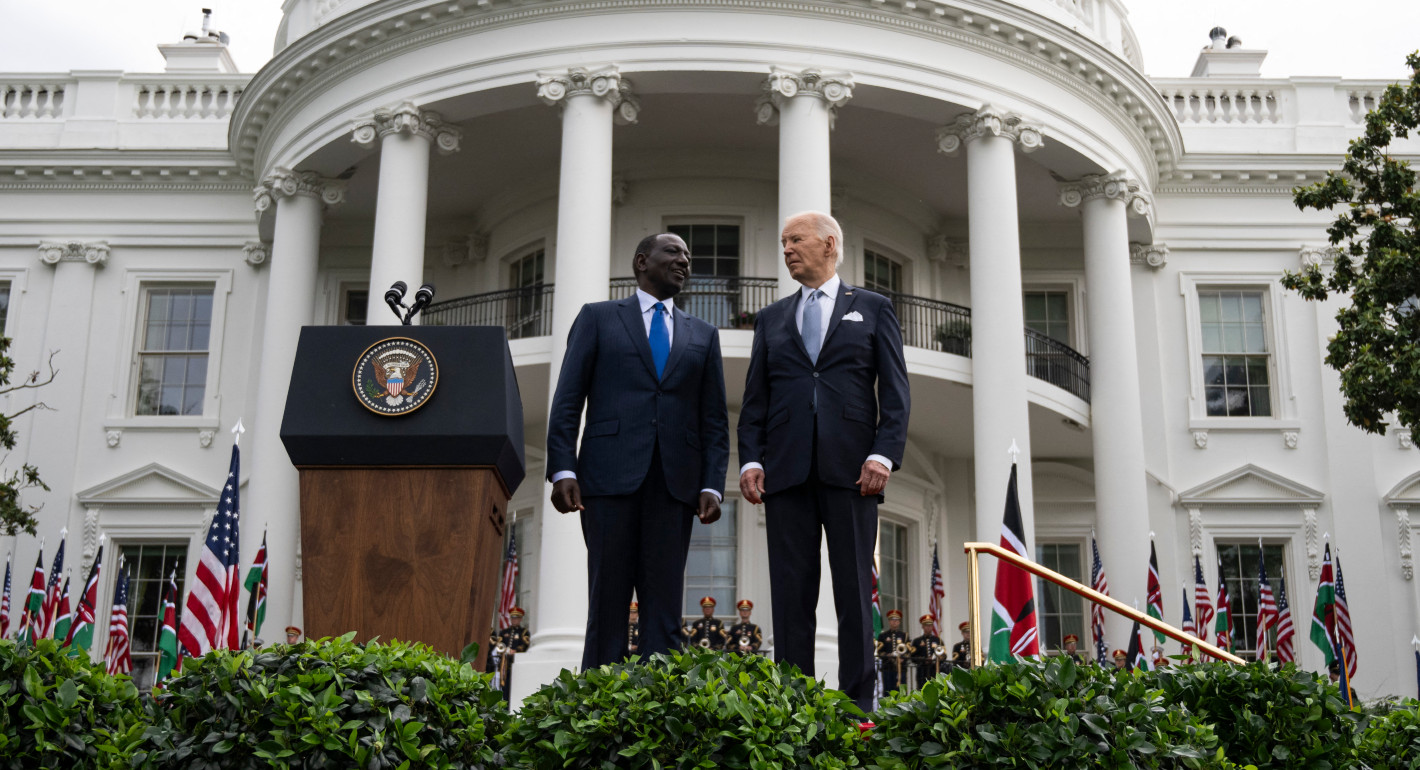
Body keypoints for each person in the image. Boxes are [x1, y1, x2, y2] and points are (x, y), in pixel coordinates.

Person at [738, 211, 911, 713]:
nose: (787, 249)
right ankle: (795, 704)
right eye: (783, 242)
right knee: (792, 594)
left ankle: (860, 707)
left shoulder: (874, 308)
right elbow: (755, 401)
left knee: (854, 590)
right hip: (786, 473)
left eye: (796, 240)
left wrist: (883, 454)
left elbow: (896, 393)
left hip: (854, 472)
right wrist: (751, 460)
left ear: (830, 244)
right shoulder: (771, 318)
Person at [546, 233, 730, 671]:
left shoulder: (703, 335)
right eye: (674, 253)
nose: (684, 261)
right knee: (607, 600)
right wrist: (562, 470)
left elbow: (714, 420)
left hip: (675, 486)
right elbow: (568, 400)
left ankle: (658, 708)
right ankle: (597, 706)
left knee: (663, 606)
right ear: (641, 261)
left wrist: (712, 483)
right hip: (607, 480)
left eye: (689, 255)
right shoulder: (598, 318)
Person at [488, 607, 531, 699]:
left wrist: (516, 650)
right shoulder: (504, 632)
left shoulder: (523, 632)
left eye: (516, 618)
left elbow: (525, 644)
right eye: (512, 618)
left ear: (520, 619)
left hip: (516, 662)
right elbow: (499, 643)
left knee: (515, 685)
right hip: (504, 662)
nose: (514, 620)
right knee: (504, 686)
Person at [874, 609, 910, 694]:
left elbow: (909, 651)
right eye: (892, 620)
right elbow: (879, 652)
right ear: (889, 621)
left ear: (899, 622)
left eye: (896, 620)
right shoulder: (883, 636)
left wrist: (903, 659)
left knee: (901, 692)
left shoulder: (904, 636)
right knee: (887, 691)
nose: (894, 622)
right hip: (888, 668)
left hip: (901, 668)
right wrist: (888, 655)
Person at [910, 615, 945, 689]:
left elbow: (944, 655)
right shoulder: (917, 641)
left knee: (935, 688)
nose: (928, 627)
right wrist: (924, 660)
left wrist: (938, 659)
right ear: (922, 626)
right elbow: (912, 656)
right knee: (922, 688)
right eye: (926, 625)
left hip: (935, 670)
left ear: (932, 627)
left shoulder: (938, 640)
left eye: (930, 625)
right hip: (922, 670)